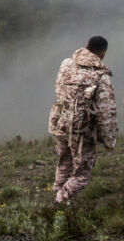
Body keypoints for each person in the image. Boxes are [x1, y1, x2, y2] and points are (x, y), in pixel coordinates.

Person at [48, 36, 117, 204]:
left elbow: (58, 89)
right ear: (103, 53)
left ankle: (58, 190)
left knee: (64, 161)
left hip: (60, 122)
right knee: (82, 173)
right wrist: (109, 140)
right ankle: (59, 203)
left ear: (86, 46)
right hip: (81, 129)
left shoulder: (66, 64)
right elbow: (106, 111)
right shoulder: (101, 75)